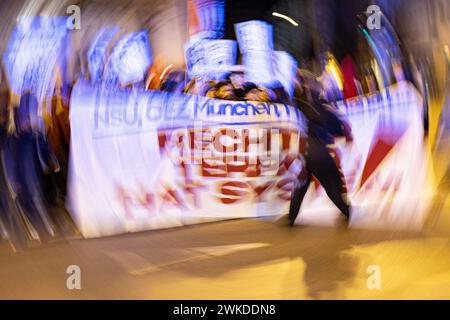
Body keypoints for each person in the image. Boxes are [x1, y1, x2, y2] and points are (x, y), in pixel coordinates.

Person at [289, 72, 353, 226]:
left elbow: (330, 123)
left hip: (314, 153)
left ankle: (346, 210)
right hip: (315, 152)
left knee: (326, 185)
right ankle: (291, 218)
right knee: (305, 185)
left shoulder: (308, 104)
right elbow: (337, 127)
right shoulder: (319, 106)